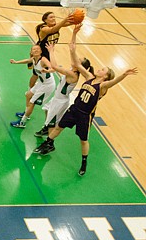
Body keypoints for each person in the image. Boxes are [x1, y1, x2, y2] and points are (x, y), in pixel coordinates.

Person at [34, 45, 137, 175]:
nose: (99, 69)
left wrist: (124, 75)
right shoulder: (89, 77)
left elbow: (114, 82)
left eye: (103, 70)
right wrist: (73, 48)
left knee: (83, 140)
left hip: (85, 115)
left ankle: (84, 163)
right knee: (58, 127)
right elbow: (77, 63)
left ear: (106, 76)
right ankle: (48, 144)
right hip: (74, 108)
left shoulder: (103, 85)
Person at [34, 31, 90, 137]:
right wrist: (74, 33)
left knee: (52, 124)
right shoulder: (72, 69)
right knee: (46, 109)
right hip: (57, 97)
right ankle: (46, 129)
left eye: (78, 60)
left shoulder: (73, 74)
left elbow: (54, 66)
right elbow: (73, 49)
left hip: (60, 101)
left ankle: (49, 143)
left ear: (80, 65)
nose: (76, 59)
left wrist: (51, 51)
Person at [9, 44, 53, 128]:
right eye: (34, 49)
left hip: (48, 85)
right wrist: (16, 62)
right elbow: (27, 61)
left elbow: (53, 67)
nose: (36, 50)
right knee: (28, 95)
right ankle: (26, 113)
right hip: (41, 82)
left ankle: (22, 122)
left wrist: (48, 71)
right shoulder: (33, 59)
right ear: (31, 52)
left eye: (37, 49)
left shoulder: (43, 60)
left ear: (40, 51)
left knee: (32, 102)